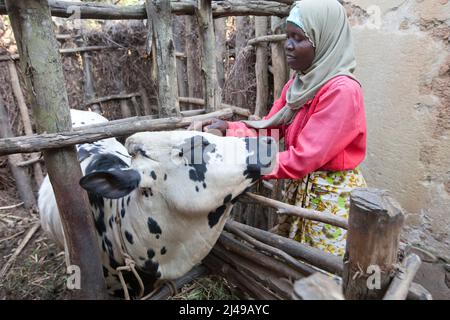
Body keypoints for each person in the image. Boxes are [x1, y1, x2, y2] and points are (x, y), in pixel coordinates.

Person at [193, 0, 367, 257]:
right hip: (304, 191)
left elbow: (302, 159)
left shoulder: (341, 91)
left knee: (322, 273)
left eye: (299, 38)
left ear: (324, 40)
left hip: (329, 200)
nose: (288, 45)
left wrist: (241, 160)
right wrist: (228, 129)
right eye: (288, 36)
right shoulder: (300, 85)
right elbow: (271, 130)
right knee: (298, 268)